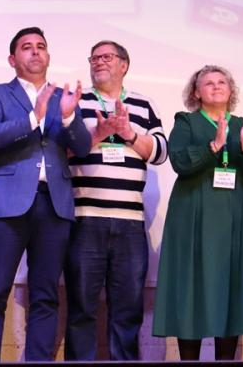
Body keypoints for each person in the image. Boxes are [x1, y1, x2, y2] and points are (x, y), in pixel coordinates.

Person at [0, 27, 91, 362]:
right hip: (6, 205)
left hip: (54, 204)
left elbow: (82, 147)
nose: (35, 51)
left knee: (46, 295)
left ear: (48, 56)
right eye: (27, 47)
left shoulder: (63, 97)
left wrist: (68, 116)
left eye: (41, 46)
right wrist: (33, 116)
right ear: (13, 59)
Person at [65, 40, 168, 360]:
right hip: (85, 219)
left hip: (131, 224)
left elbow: (160, 153)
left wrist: (129, 134)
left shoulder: (143, 104)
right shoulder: (76, 101)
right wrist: (98, 133)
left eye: (107, 57)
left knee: (128, 310)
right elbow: (61, 150)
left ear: (124, 65)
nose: (99, 62)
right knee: (81, 308)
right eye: (94, 58)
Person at [153, 65, 243, 360]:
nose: (216, 86)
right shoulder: (186, 122)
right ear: (196, 92)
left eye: (222, 82)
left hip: (232, 216)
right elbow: (179, 162)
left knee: (230, 286)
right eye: (208, 83)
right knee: (191, 287)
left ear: (231, 90)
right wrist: (214, 145)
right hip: (192, 214)